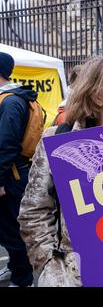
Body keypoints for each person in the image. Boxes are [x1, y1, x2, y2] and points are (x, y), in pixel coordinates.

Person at [17, 55, 103, 287]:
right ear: (98, 96)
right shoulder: (58, 140)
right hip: (73, 276)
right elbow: (33, 212)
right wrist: (51, 268)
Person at [0, 52, 35, 287]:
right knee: (10, 229)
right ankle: (15, 268)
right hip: (12, 173)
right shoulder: (13, 98)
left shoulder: (11, 101)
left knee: (13, 231)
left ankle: (23, 279)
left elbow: (6, 144)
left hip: (11, 176)